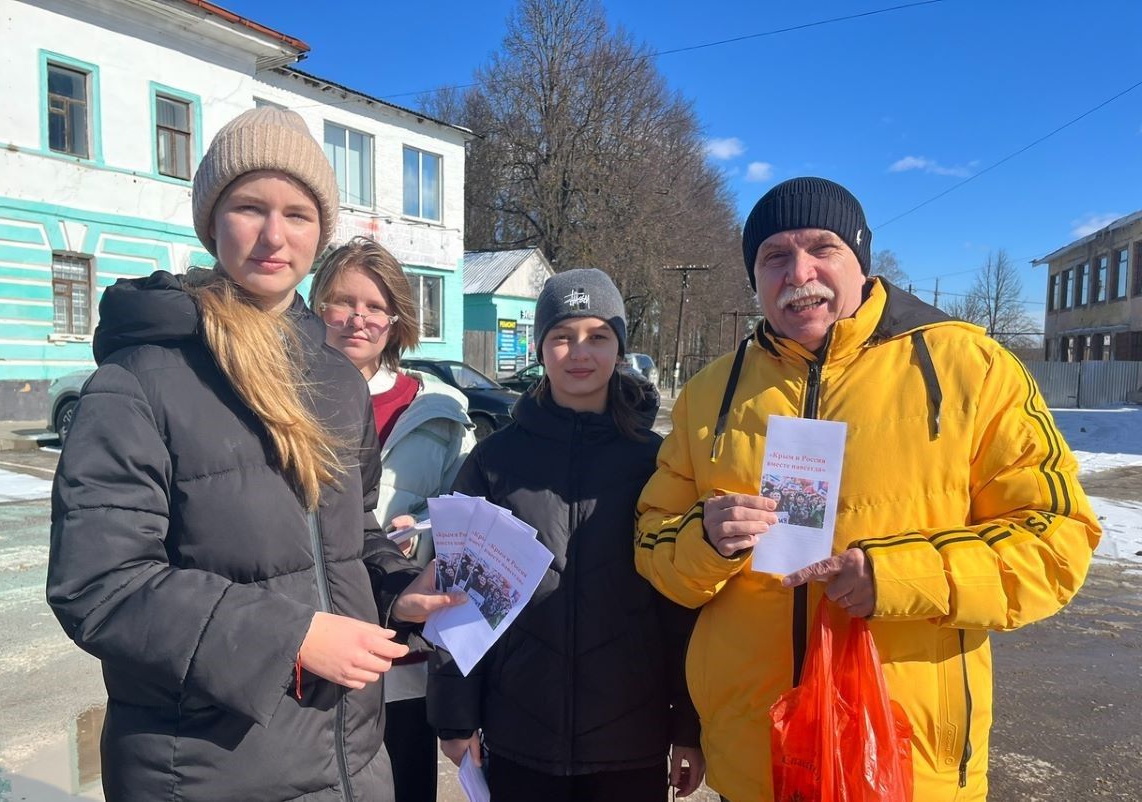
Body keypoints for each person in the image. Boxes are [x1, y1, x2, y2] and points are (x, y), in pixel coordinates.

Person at [634, 177, 1101, 802]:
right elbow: (651, 537)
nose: (800, 272)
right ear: (755, 277)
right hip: (753, 762)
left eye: (822, 248)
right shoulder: (710, 391)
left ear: (861, 261)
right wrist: (705, 541)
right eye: (774, 256)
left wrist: (898, 578)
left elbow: (1057, 540)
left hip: (903, 764)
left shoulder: (969, 365)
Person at [47, 107, 459, 802]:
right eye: (249, 207)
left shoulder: (334, 380)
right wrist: (289, 636)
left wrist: (397, 591)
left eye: (298, 214)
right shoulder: (140, 378)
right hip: (205, 768)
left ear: (319, 230)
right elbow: (99, 581)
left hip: (348, 760)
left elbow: (347, 538)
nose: (274, 235)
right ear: (212, 221)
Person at [429, 269, 705, 802]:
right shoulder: (495, 462)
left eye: (598, 336)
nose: (580, 352)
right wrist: (455, 718)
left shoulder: (657, 463)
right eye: (562, 336)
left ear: (620, 349)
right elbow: (456, 599)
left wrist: (688, 728)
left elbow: (680, 605)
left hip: (632, 736)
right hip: (520, 729)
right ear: (539, 347)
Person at [309, 236, 476, 802]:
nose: (359, 318)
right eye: (342, 301)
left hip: (401, 655)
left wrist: (423, 529)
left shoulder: (439, 412)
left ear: (396, 320)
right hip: (311, 646)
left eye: (376, 306)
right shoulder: (282, 400)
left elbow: (466, 519)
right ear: (316, 308)